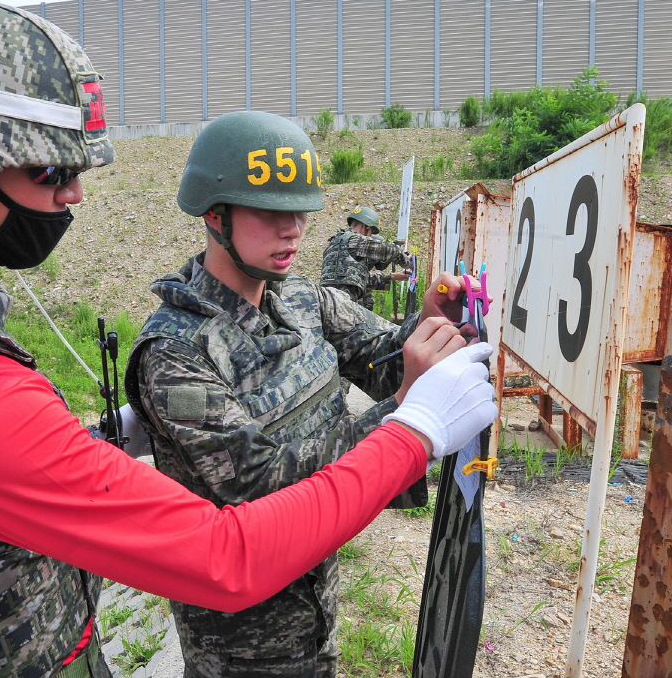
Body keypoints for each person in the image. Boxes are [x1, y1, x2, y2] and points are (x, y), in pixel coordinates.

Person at [0, 0, 498, 678]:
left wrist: (72, 455)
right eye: (50, 170)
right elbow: (227, 556)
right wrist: (415, 427)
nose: (73, 195)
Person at [123, 111, 481, 678]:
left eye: (300, 212)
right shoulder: (176, 352)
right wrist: (407, 411)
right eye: (271, 212)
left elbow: (383, 355)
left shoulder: (302, 301)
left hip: (317, 604)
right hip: (242, 642)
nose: (292, 229)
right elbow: (267, 490)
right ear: (216, 216)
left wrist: (428, 322)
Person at [320, 206, 413, 312]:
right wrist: (408, 263)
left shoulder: (334, 244)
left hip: (327, 306)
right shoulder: (354, 240)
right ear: (365, 226)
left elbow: (360, 277)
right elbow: (392, 250)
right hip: (343, 309)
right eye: (371, 232)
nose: (370, 237)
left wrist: (393, 276)